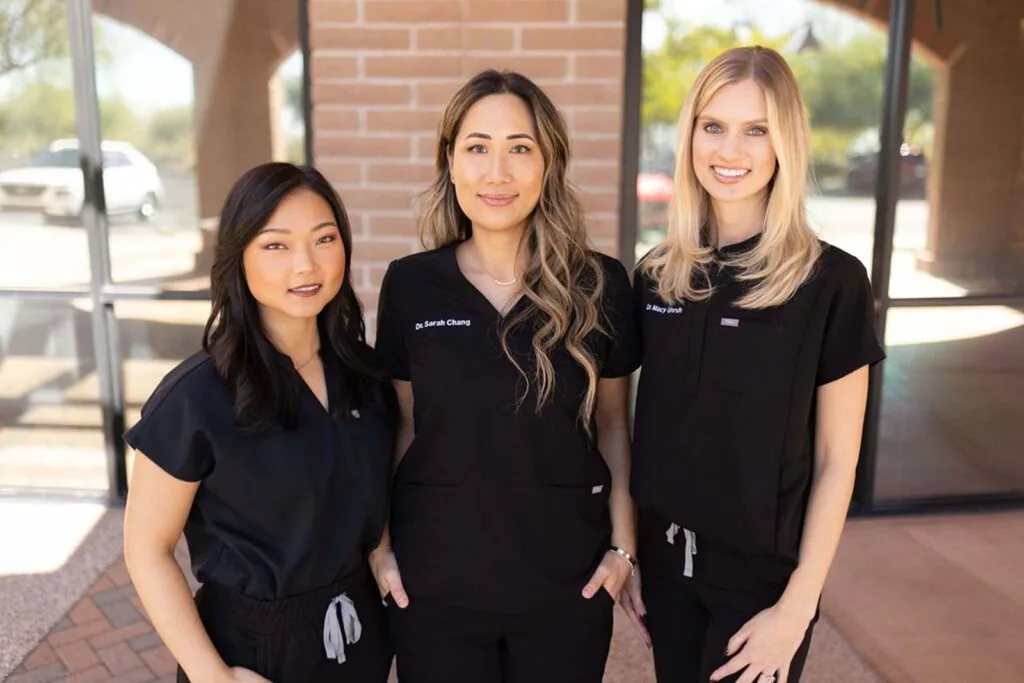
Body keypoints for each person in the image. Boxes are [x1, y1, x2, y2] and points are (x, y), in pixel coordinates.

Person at [624, 46, 886, 683]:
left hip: (763, 584)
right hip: (665, 569)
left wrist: (797, 609)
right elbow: (638, 429)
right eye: (712, 126)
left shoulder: (832, 281)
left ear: (785, 143)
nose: (729, 151)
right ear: (689, 136)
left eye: (756, 129)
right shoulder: (658, 276)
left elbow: (836, 461)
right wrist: (628, 552)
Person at [370, 69, 640, 683]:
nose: (498, 172)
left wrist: (624, 549)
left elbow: (614, 424)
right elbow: (403, 424)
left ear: (549, 163)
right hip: (434, 585)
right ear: (451, 162)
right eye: (477, 148)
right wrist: (382, 549)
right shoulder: (411, 285)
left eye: (520, 148)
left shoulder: (600, 284)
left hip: (566, 585)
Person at [122, 162, 395, 683]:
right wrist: (215, 677)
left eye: (324, 239)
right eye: (276, 245)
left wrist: (382, 553)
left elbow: (366, 486)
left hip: (359, 634)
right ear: (239, 257)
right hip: (250, 654)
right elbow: (146, 549)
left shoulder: (367, 375)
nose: (305, 266)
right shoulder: (195, 397)